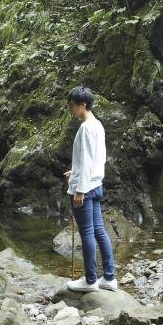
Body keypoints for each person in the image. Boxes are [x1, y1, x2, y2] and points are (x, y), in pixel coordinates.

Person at [63, 85, 116, 292]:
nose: (71, 109)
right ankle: (109, 278)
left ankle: (91, 280)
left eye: (72, 105)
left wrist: (80, 189)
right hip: (96, 184)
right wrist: (75, 172)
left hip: (85, 188)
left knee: (87, 233)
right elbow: (97, 159)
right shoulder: (98, 125)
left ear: (83, 104)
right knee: (99, 231)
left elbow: (86, 160)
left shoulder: (85, 128)